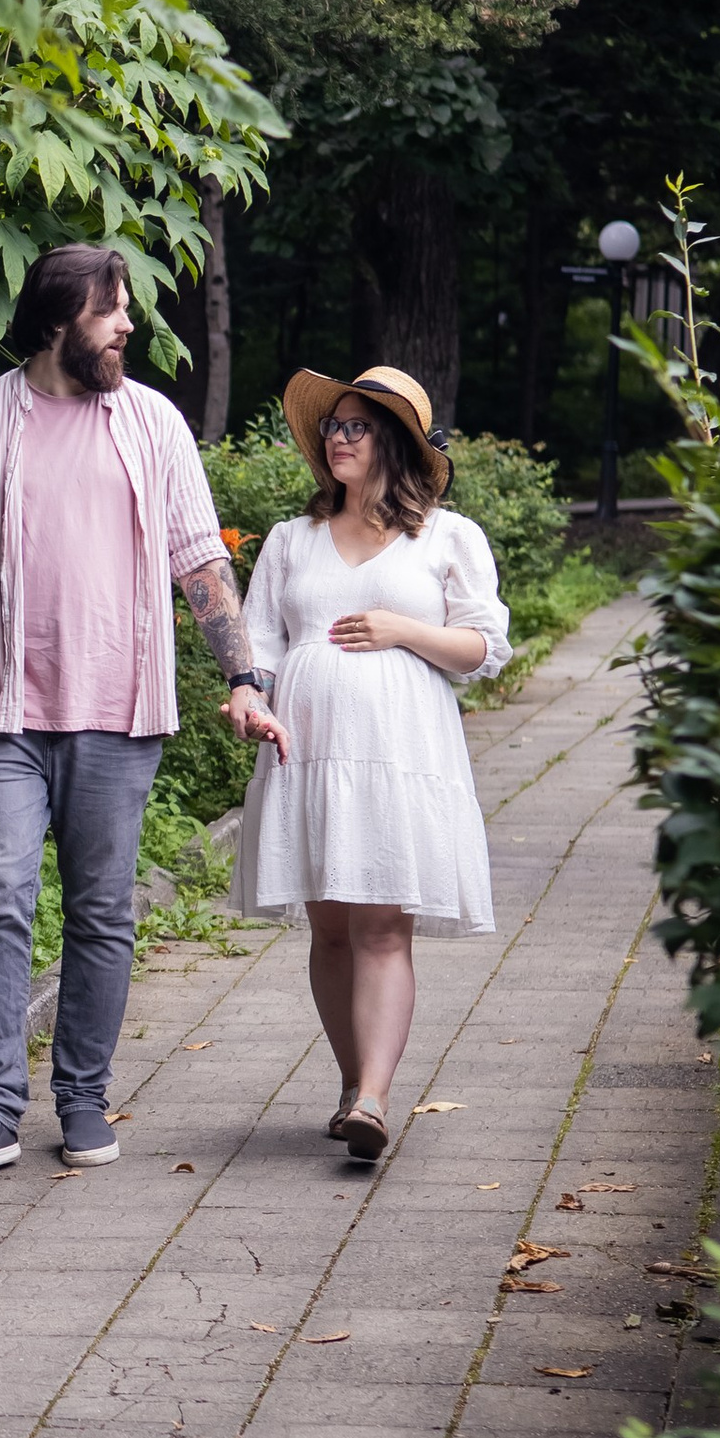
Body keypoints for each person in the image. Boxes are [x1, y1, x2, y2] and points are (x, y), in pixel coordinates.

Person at [0, 242, 271, 1177]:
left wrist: (243, 677)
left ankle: (81, 1098)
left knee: (102, 910)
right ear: (59, 318)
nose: (128, 326)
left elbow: (200, 559)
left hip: (118, 710)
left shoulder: (153, 423)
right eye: (112, 310)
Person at [225, 363, 509, 1162]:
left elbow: (484, 647)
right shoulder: (292, 540)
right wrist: (248, 697)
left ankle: (375, 1098)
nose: (337, 438)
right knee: (331, 931)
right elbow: (260, 647)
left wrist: (401, 630)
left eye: (356, 426)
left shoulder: (447, 537)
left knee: (383, 925)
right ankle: (355, 1087)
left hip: (400, 752)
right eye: (332, 426)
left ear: (395, 442)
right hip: (310, 754)